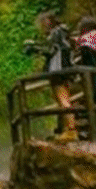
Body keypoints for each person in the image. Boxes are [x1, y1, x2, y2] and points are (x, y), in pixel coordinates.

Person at [29, 11, 77, 141]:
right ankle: (67, 129)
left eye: (42, 23)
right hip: (64, 68)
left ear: (48, 22)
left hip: (59, 69)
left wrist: (34, 48)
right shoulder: (62, 33)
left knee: (63, 98)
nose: (41, 27)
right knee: (62, 98)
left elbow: (51, 50)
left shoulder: (57, 33)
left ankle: (71, 130)